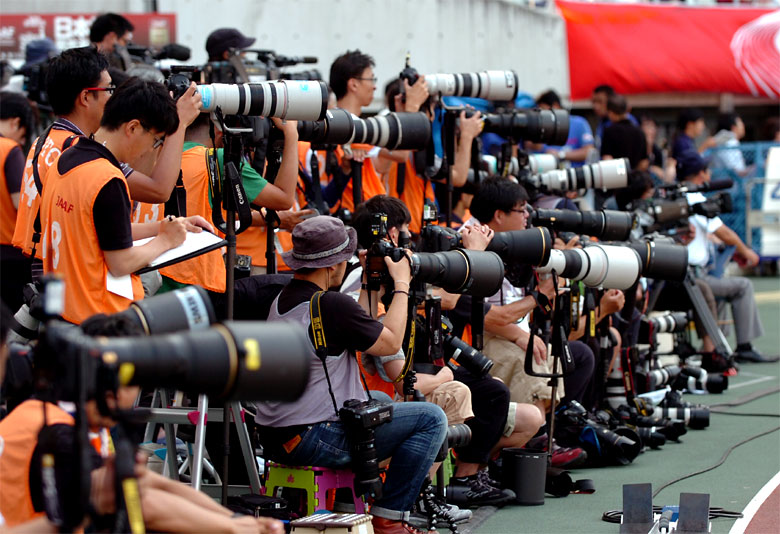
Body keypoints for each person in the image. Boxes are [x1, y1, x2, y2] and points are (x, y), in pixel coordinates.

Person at [253, 215, 447, 534]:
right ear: (335, 265)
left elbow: (361, 323)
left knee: (380, 399)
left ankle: (367, 498)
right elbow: (389, 343)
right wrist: (402, 285)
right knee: (431, 418)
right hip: (314, 437)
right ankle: (390, 517)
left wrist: (371, 281)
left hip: (276, 435)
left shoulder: (285, 299)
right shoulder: (331, 305)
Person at [353, 195, 543, 510]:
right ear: (389, 235)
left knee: (495, 394)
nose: (410, 243)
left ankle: (468, 477)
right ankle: (419, 496)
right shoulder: (373, 286)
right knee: (456, 390)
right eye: (404, 233)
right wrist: (472, 255)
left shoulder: (390, 280)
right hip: (393, 395)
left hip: (417, 374)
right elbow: (400, 373)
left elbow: (436, 300)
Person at [12, 47, 202, 274]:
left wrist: (163, 227)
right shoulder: (81, 154)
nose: (114, 97)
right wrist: (178, 123)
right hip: (70, 275)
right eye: (109, 89)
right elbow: (159, 190)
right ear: (85, 97)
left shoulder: (47, 140)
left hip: (44, 266)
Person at [39, 78, 210, 324]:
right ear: (132, 128)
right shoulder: (108, 178)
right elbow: (120, 263)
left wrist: (165, 227)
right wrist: (165, 240)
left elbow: (104, 231)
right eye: (156, 141)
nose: (150, 150)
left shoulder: (67, 159)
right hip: (100, 319)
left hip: (65, 312)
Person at [157, 110, 299, 293]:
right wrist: (291, 133)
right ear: (217, 129)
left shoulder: (158, 157)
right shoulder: (218, 160)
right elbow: (284, 198)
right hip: (191, 284)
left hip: (152, 275)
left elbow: (205, 212)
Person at [677, 150, 776, 363]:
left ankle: (717, 346)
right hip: (693, 278)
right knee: (743, 286)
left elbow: (710, 235)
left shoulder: (674, 197)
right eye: (706, 170)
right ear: (700, 174)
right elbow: (726, 233)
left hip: (683, 275)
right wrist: (747, 252)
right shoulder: (695, 198)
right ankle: (743, 346)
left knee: (720, 285)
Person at [378, 78, 482, 234]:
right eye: (430, 109)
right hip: (394, 233)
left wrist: (464, 135)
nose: (432, 117)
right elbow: (401, 154)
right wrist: (411, 108)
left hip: (420, 234)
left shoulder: (421, 150)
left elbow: (458, 177)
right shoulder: (384, 139)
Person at [325, 50, 387, 214]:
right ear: (353, 84)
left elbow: (381, 165)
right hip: (357, 213)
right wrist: (412, 108)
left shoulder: (330, 123)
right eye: (371, 79)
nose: (374, 86)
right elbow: (396, 155)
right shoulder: (357, 129)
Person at [0, 92, 35, 311]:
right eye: (24, 137)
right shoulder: (9, 150)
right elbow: (20, 202)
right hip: (10, 255)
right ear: (16, 123)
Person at [535, 89, 595, 168]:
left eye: (544, 110)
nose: (542, 115)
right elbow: (536, 149)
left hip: (577, 175)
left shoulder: (579, 123)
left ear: (555, 106)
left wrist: (560, 155)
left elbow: (588, 151)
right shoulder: (543, 128)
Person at [591, 84, 638, 148]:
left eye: (600, 101)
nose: (596, 106)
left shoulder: (628, 121)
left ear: (611, 101)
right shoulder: (602, 121)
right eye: (593, 102)